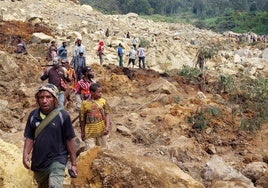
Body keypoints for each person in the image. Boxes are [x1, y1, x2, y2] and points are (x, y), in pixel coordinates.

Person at [22, 83, 78, 188]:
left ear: (55, 98)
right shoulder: (33, 115)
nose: (44, 100)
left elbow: (69, 140)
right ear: (37, 99)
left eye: (48, 97)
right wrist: (26, 154)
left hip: (58, 160)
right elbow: (29, 137)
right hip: (39, 162)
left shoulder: (63, 115)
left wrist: (73, 163)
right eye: (41, 97)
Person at [80, 83, 110, 150]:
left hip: (102, 132)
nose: (101, 94)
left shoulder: (103, 101)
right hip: (89, 133)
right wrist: (82, 132)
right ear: (92, 92)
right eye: (99, 92)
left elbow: (107, 114)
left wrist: (107, 127)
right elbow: (82, 119)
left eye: (101, 92)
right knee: (89, 152)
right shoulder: (84, 104)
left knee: (103, 151)